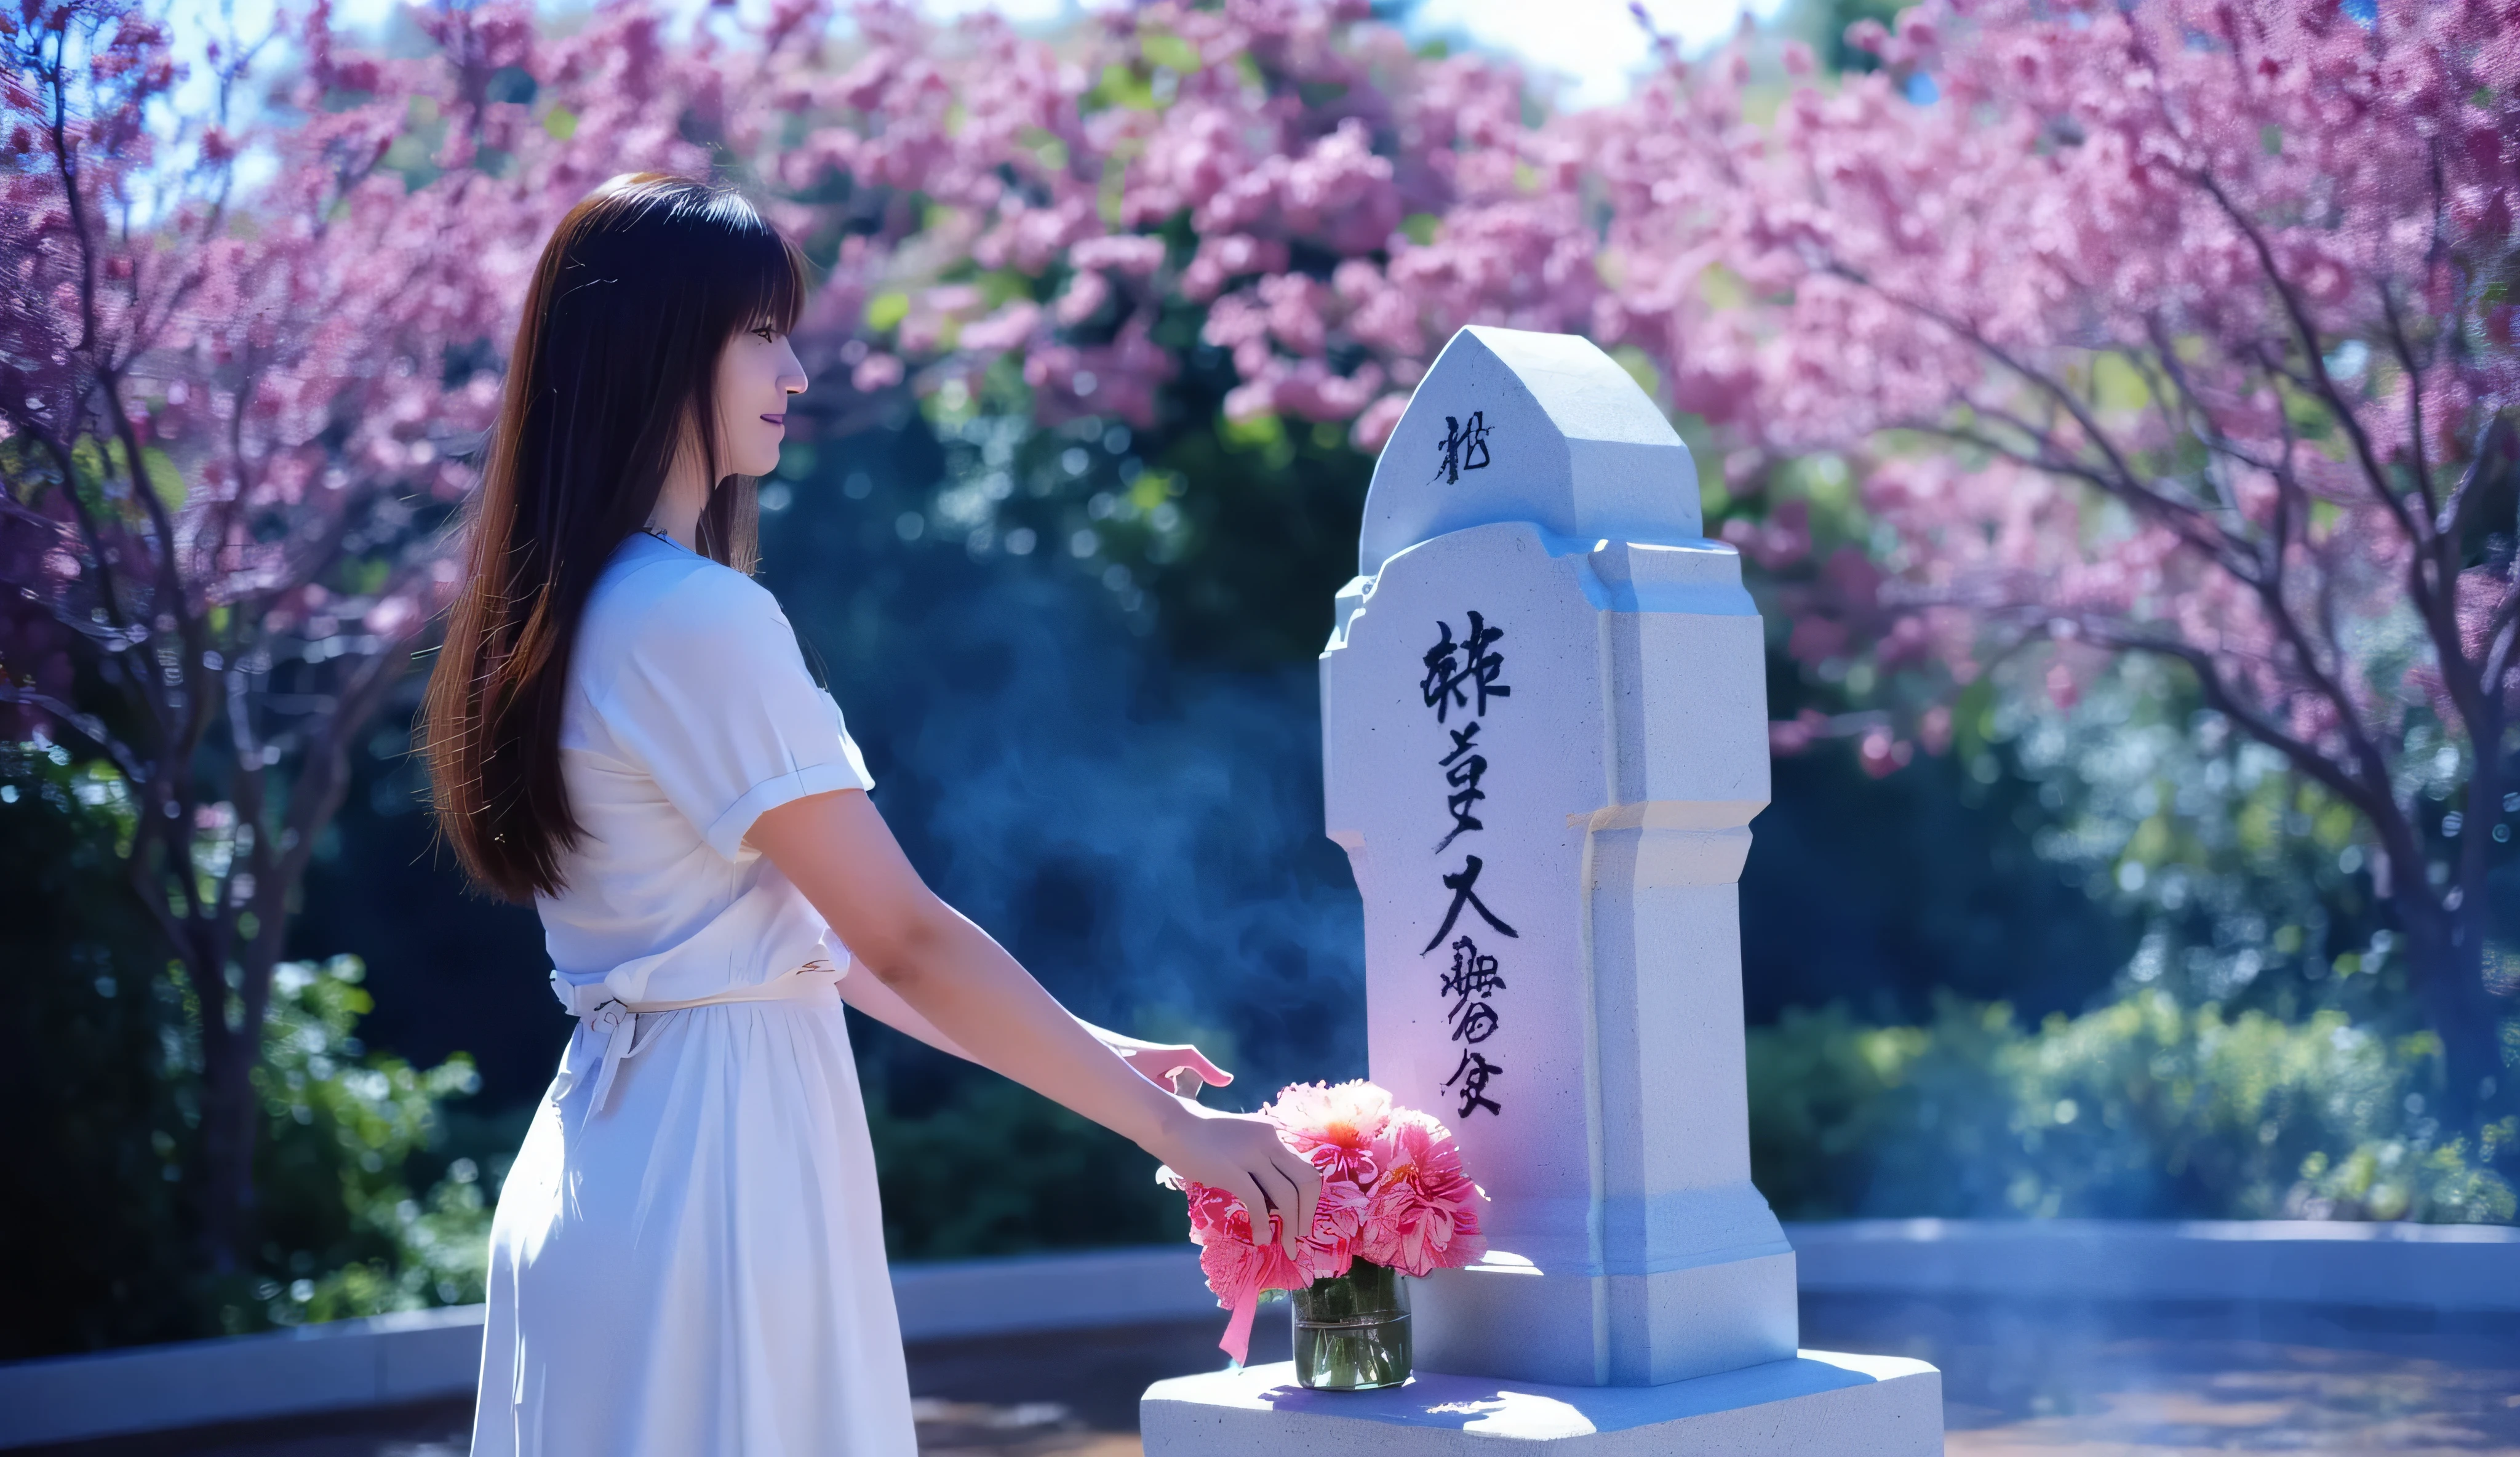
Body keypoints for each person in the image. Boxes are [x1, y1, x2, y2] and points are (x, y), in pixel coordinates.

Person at [424, 172, 1321, 1457]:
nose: (795, 372)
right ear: (653, 347)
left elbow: (822, 949)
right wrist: (1179, 1134)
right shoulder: (695, 616)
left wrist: (1101, 1054)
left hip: (613, 1162)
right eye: (760, 333)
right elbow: (900, 936)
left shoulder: (579, 608)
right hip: (716, 1186)